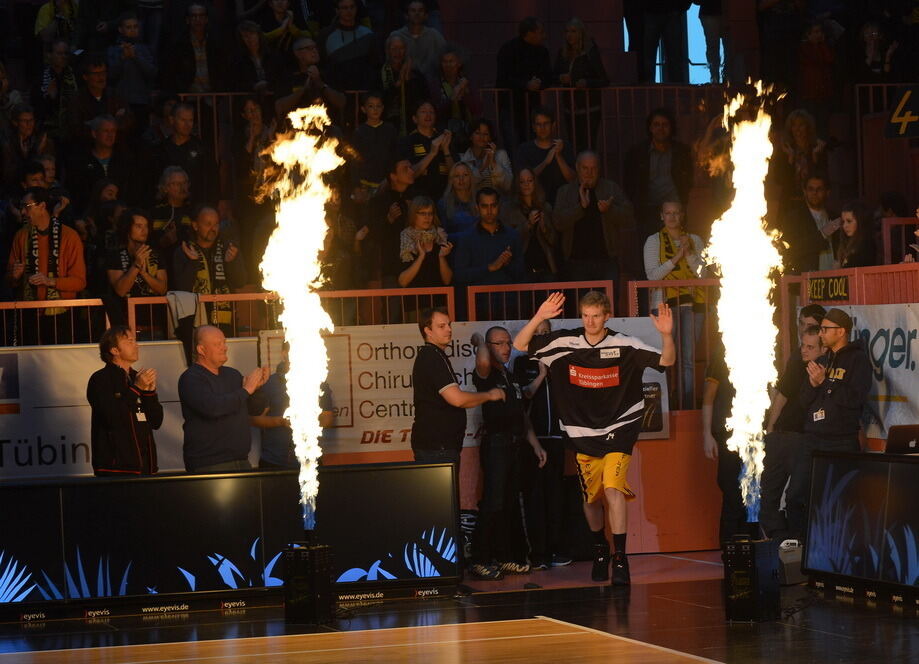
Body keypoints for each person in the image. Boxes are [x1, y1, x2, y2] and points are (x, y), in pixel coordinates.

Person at [513, 291, 675, 585]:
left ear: (607, 316)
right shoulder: (564, 343)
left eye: (596, 316)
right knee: (592, 498)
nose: (590, 321)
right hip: (581, 433)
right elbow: (520, 344)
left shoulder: (624, 344)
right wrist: (539, 315)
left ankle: (620, 559)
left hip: (620, 427)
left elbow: (666, 360)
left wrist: (666, 335)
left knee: (613, 488)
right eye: (585, 316)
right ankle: (600, 548)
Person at [785, 308, 872, 542]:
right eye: (820, 329)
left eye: (826, 329)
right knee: (796, 495)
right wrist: (814, 384)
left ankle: (839, 550)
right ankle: (799, 550)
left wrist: (826, 383)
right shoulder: (822, 359)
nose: (821, 334)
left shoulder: (857, 360)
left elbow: (854, 399)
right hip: (812, 438)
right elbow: (802, 401)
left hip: (841, 439)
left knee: (842, 499)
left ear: (841, 331)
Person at [468, 326, 547, 580]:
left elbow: (522, 410)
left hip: (515, 445)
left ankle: (504, 557)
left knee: (509, 504)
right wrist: (480, 340)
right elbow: (481, 360)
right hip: (497, 446)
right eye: (498, 344)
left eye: (508, 343)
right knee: (494, 503)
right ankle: (480, 560)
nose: (505, 348)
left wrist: (535, 444)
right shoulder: (486, 373)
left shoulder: (509, 374)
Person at [411, 306, 506, 467]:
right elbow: (457, 399)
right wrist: (490, 395)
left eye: (449, 325)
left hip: (440, 446)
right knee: (442, 493)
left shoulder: (435, 355)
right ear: (428, 330)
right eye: (441, 326)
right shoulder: (431, 357)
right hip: (437, 447)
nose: (448, 329)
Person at [512, 318, 572, 570]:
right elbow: (524, 395)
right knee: (535, 498)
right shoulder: (521, 363)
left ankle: (555, 550)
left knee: (556, 496)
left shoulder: (560, 362)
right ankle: (537, 554)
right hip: (531, 441)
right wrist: (541, 375)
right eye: (537, 333)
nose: (542, 337)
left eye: (546, 332)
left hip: (557, 439)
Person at [760, 319, 825, 541]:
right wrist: (770, 429)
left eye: (810, 347)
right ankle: (780, 544)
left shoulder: (828, 370)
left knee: (795, 497)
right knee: (768, 495)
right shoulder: (797, 364)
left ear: (823, 348)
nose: (804, 351)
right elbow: (782, 395)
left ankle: (795, 547)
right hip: (783, 436)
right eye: (802, 346)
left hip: (803, 439)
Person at [178, 325, 270, 473]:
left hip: (242, 461)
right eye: (217, 344)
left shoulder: (232, 374)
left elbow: (255, 409)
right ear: (201, 350)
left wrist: (257, 389)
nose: (224, 347)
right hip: (208, 464)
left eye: (224, 342)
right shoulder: (191, 378)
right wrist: (247, 389)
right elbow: (213, 407)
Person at [642, 199, 706, 408]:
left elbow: (703, 274)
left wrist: (689, 254)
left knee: (688, 360)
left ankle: (686, 405)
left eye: (676, 213)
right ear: (661, 216)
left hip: (692, 304)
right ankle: (667, 405)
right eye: (668, 213)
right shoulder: (653, 240)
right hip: (663, 304)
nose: (672, 217)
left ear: (682, 215)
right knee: (666, 358)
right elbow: (653, 276)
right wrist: (678, 256)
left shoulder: (695, 240)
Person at [6, 187, 86, 344]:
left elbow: (80, 282)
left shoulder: (70, 236)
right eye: (21, 207)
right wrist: (14, 276)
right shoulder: (21, 236)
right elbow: (9, 281)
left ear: (42, 206)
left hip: (62, 315)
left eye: (26, 206)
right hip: (28, 314)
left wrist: (51, 281)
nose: (22, 212)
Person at [86, 325, 163, 476]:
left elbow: (156, 421)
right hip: (116, 468)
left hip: (146, 467)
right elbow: (111, 418)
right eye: (129, 341)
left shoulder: (137, 377)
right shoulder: (100, 379)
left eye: (135, 340)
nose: (136, 344)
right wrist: (136, 389)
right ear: (114, 350)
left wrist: (149, 393)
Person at [554, 150, 633, 284]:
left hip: (607, 261)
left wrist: (610, 210)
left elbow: (629, 217)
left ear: (599, 169)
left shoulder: (611, 188)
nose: (589, 173)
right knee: (581, 304)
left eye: (593, 168)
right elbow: (558, 222)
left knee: (610, 303)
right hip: (576, 262)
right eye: (585, 168)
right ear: (577, 168)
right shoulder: (565, 191)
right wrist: (580, 208)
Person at [701, 345, 750, 542]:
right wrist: (706, 434)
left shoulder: (762, 351)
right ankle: (729, 549)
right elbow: (708, 398)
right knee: (731, 489)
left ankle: (751, 547)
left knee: (752, 493)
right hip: (728, 434)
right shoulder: (723, 354)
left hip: (754, 434)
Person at [622, 107, 694, 240]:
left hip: (675, 210)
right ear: (650, 128)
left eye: (665, 125)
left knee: (677, 253)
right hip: (647, 211)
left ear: (671, 127)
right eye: (656, 125)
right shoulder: (637, 153)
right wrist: (637, 201)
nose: (661, 128)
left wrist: (683, 199)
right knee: (649, 254)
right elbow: (629, 181)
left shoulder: (682, 152)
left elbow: (690, 177)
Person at [172, 206, 247, 328]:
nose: (213, 229)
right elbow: (182, 288)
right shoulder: (184, 251)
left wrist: (231, 262)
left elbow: (240, 282)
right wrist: (193, 262)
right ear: (195, 226)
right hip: (195, 322)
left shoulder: (227, 248)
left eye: (216, 224)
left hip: (225, 321)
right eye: (208, 224)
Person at [105, 208, 168, 328]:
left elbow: (162, 289)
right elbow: (121, 290)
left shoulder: (155, 254)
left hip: (153, 323)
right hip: (124, 324)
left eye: (146, 226)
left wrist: (143, 272)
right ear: (127, 229)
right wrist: (136, 265)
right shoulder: (115, 255)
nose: (144, 230)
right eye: (138, 226)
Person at [495, 17, 552, 150]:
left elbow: (549, 76)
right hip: (510, 106)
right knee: (513, 145)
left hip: (532, 107)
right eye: (541, 32)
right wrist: (525, 85)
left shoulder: (542, 52)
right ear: (530, 33)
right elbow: (503, 78)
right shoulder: (508, 49)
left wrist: (540, 83)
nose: (544, 36)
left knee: (533, 145)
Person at [553, 17, 608, 152]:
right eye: (567, 31)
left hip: (590, 108)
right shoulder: (563, 52)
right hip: (570, 108)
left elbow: (604, 79)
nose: (569, 35)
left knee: (589, 144)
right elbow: (553, 76)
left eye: (573, 31)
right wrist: (561, 78)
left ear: (581, 33)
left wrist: (587, 82)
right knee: (574, 145)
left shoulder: (590, 52)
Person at [453, 187, 525, 288]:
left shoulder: (512, 236)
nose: (489, 211)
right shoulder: (467, 238)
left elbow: (521, 273)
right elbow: (460, 275)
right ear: (477, 208)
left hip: (508, 300)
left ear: (499, 206)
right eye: (484, 206)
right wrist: (489, 268)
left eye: (493, 205)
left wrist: (507, 264)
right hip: (478, 301)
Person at [153, 102, 218, 206]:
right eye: (183, 120)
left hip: (196, 206)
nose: (187, 125)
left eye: (190, 120)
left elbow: (212, 179)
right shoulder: (161, 150)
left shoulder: (201, 149)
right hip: (168, 207)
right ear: (172, 120)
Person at [501, 168, 558, 281]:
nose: (527, 184)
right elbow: (507, 239)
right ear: (517, 185)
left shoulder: (545, 207)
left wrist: (544, 229)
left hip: (545, 268)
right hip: (522, 270)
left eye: (530, 180)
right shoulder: (509, 209)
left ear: (535, 183)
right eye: (522, 182)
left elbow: (554, 241)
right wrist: (527, 224)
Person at [513, 107, 575, 205]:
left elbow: (573, 179)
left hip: (562, 204)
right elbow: (521, 182)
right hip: (534, 205)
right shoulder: (524, 149)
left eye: (546, 123)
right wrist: (545, 162)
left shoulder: (564, 146)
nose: (542, 128)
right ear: (533, 127)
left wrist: (559, 156)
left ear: (553, 125)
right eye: (538, 124)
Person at [777, 173, 836, 273]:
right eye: (811, 189)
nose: (815, 193)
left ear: (827, 192)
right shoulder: (794, 218)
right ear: (805, 191)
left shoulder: (834, 217)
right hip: (808, 278)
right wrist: (822, 234)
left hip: (835, 279)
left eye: (819, 189)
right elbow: (791, 250)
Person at [274, 37, 345, 121]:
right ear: (298, 53)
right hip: (297, 126)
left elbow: (342, 102)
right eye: (309, 48)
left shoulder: (329, 74)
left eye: (315, 47)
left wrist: (320, 83)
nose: (314, 51)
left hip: (327, 126)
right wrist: (303, 90)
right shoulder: (288, 77)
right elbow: (279, 107)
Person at [317, 0, 378, 93]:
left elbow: (375, 64)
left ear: (356, 9)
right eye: (345, 8)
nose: (349, 11)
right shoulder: (325, 35)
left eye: (352, 7)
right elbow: (322, 64)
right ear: (337, 11)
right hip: (336, 90)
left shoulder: (367, 34)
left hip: (364, 90)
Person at [106, 12, 157, 123]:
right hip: (119, 102)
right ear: (120, 29)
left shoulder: (145, 49)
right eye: (128, 27)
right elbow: (111, 76)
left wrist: (136, 57)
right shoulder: (113, 50)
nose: (133, 30)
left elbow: (152, 73)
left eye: (135, 27)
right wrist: (123, 58)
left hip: (142, 101)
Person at [350, 92, 398, 201]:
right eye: (371, 106)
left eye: (378, 106)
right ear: (363, 109)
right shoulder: (359, 132)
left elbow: (394, 155)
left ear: (383, 108)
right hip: (364, 185)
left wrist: (391, 176)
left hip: (386, 182)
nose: (375, 109)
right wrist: (356, 186)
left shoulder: (390, 129)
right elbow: (354, 161)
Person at [400, 101, 453, 199]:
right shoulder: (407, 141)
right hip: (417, 198)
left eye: (431, 112)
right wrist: (432, 153)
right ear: (415, 119)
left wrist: (446, 150)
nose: (428, 115)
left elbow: (455, 174)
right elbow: (409, 175)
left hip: (443, 197)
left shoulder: (444, 138)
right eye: (423, 111)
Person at [398, 196, 453, 288]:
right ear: (413, 214)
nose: (427, 217)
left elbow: (447, 280)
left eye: (430, 213)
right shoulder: (405, 239)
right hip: (414, 299)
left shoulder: (440, 237)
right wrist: (421, 257)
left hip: (438, 299)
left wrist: (441, 257)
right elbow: (403, 282)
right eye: (423, 213)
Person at [381, 35, 431, 138]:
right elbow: (381, 100)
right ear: (388, 51)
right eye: (394, 49)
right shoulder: (380, 73)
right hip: (387, 125)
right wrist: (399, 82)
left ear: (406, 51)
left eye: (401, 48)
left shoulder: (416, 75)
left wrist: (408, 79)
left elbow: (423, 100)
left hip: (413, 125)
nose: (397, 52)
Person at [389, 0, 446, 80]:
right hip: (404, 82)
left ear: (426, 15)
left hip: (431, 83)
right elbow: (390, 65)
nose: (417, 14)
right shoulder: (396, 36)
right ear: (406, 16)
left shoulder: (435, 36)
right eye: (413, 11)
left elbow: (448, 58)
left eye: (420, 11)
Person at [459, 117, 512, 194]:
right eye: (477, 133)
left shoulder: (501, 155)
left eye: (485, 134)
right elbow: (464, 187)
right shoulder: (463, 159)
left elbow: (508, 186)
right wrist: (483, 167)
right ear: (470, 136)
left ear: (490, 137)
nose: (481, 137)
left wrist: (493, 162)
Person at [642, 1, 689, 83]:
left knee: (648, 55)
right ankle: (677, 88)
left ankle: (648, 86)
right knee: (674, 55)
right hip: (671, 11)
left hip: (652, 11)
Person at [437, 161, 478, 241]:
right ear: (451, 180)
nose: (461, 179)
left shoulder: (479, 200)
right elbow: (443, 235)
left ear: (470, 178)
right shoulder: (443, 204)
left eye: (465, 175)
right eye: (457, 176)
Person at [832, 200, 876, 269]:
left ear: (860, 222)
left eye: (849, 221)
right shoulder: (846, 243)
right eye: (843, 222)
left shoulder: (867, 245)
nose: (844, 226)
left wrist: (839, 269)